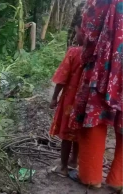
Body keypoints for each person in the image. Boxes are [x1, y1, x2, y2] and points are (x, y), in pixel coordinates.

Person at [68, 0, 123, 191]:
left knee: (94, 115)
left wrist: (88, 55)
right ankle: (118, 179)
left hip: (104, 67)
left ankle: (91, 177)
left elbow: (88, 33)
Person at [49, 24, 84, 177]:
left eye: (77, 33)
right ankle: (73, 161)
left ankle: (63, 166)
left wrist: (54, 97)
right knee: (78, 132)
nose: (75, 36)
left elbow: (62, 78)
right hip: (86, 101)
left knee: (66, 134)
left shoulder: (74, 52)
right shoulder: (96, 54)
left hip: (70, 99)